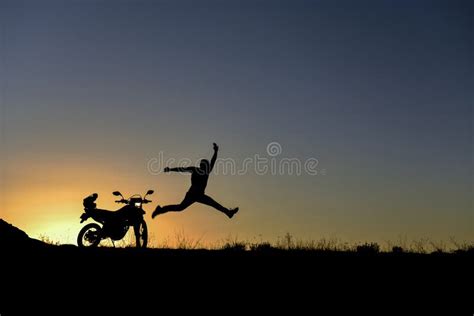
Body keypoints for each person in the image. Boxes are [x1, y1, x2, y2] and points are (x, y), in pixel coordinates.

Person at [152, 143, 239, 219]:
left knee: (214, 204)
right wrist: (170, 169)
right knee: (179, 208)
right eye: (203, 165)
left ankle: (228, 213)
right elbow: (181, 169)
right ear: (201, 165)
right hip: (192, 195)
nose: (205, 167)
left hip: (200, 195)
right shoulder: (195, 169)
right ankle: (160, 209)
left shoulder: (206, 171)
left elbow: (213, 161)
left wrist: (216, 152)